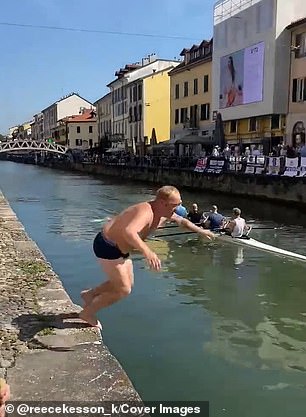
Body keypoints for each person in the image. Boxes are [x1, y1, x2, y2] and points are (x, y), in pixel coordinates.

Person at [79, 186, 215, 328]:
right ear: (163, 203)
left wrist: (200, 230)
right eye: (176, 205)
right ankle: (87, 313)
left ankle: (89, 294)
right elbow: (129, 232)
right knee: (123, 289)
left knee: (125, 284)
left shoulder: (163, 211)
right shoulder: (146, 212)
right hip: (107, 246)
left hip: (121, 250)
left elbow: (182, 221)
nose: (178, 208)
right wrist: (148, 252)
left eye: (179, 204)